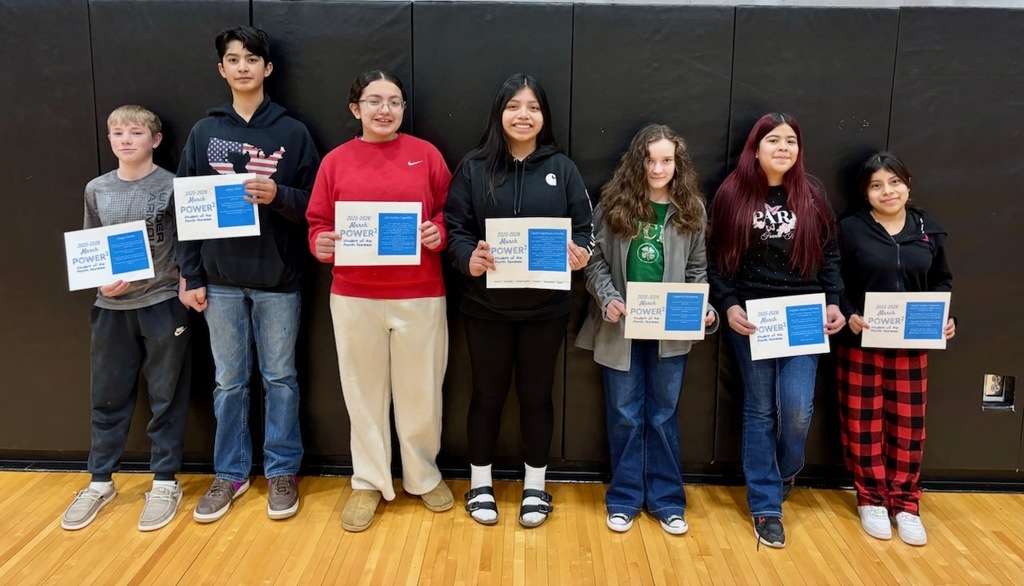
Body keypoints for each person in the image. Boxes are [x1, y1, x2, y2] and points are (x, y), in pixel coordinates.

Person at [177, 25, 320, 523]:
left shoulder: (293, 132)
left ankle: (282, 469)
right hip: (218, 280)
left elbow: (316, 206)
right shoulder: (204, 131)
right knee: (229, 382)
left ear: (267, 68)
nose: (242, 67)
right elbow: (186, 209)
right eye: (233, 59)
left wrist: (277, 196)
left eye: (251, 59)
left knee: (280, 378)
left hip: (278, 281)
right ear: (222, 69)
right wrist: (190, 275)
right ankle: (231, 473)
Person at [307, 71, 454, 532]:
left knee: (421, 393)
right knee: (362, 393)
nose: (384, 109)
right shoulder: (335, 161)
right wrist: (321, 242)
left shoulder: (425, 155)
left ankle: (423, 476)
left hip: (420, 294)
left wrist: (439, 231)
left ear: (404, 108)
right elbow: (316, 222)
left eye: (394, 101)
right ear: (356, 109)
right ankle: (369, 481)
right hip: (354, 297)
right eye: (374, 101)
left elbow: (451, 210)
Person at [445, 73, 594, 528]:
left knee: (536, 397)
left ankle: (535, 486)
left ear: (543, 116)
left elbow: (586, 231)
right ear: (500, 112)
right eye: (514, 106)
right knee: (486, 396)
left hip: (545, 310)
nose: (523, 115)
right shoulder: (473, 167)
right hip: (485, 308)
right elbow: (455, 230)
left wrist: (580, 253)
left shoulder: (562, 168)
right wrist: (468, 256)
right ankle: (480, 483)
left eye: (532, 107)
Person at [707, 112, 845, 548]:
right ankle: (766, 506)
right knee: (760, 409)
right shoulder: (732, 192)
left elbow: (830, 256)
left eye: (791, 141)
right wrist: (727, 306)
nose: (783, 148)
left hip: (804, 313)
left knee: (798, 407)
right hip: (753, 315)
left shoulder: (813, 192)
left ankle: (785, 470)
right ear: (756, 147)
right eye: (773, 140)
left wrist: (835, 303)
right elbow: (716, 260)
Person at [576, 124, 718, 535]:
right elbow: (593, 261)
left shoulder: (691, 209)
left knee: (662, 416)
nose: (658, 168)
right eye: (650, 160)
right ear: (637, 161)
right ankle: (623, 500)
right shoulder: (613, 204)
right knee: (624, 416)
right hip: (619, 328)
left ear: (678, 164)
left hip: (669, 332)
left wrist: (701, 306)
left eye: (666, 160)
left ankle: (667, 501)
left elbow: (697, 270)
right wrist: (608, 298)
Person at [61, 105, 191, 532]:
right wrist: (101, 283)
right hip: (111, 310)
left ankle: (165, 481)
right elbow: (91, 247)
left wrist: (187, 281)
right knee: (108, 396)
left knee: (166, 396)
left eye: (135, 132)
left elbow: (190, 245)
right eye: (117, 133)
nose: (125, 140)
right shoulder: (96, 189)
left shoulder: (172, 186)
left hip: (162, 304)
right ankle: (100, 481)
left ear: (154, 140)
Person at [836, 152, 955, 546]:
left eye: (894, 182)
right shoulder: (850, 229)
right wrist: (850, 314)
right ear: (865, 193)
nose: (887, 191)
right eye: (876, 185)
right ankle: (870, 498)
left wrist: (944, 317)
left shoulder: (929, 231)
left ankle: (906, 503)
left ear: (908, 184)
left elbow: (941, 282)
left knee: (908, 426)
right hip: (862, 342)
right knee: (862, 422)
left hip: (912, 345)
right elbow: (836, 284)